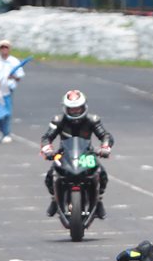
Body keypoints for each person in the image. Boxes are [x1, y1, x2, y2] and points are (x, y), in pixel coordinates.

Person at [40, 89, 114, 219]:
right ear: (66, 108)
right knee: (50, 175)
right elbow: (47, 137)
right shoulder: (58, 120)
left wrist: (105, 147)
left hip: (87, 154)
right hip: (63, 154)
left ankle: (99, 200)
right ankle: (54, 199)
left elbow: (105, 135)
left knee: (102, 173)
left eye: (77, 109)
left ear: (84, 107)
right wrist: (48, 150)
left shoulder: (93, 120)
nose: (75, 111)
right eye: (72, 109)